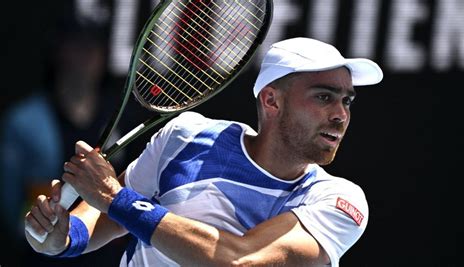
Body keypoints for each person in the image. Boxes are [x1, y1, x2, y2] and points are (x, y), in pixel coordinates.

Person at [24, 37, 383, 266]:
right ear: (272, 101)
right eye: (324, 97)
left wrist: (113, 196)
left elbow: (240, 261)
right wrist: (62, 237)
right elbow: (105, 219)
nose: (341, 115)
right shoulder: (186, 137)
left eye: (347, 100)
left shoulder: (338, 202)